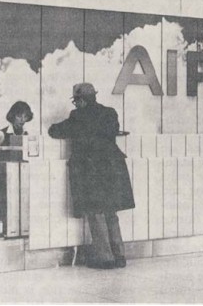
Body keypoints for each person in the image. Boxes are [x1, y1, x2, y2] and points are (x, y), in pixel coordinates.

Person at [48, 83, 135, 268]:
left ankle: (105, 258)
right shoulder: (110, 113)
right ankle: (119, 256)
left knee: (96, 213)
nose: (75, 105)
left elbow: (56, 130)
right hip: (112, 168)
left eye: (76, 101)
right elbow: (112, 131)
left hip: (91, 169)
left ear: (81, 100)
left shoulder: (78, 116)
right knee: (111, 212)